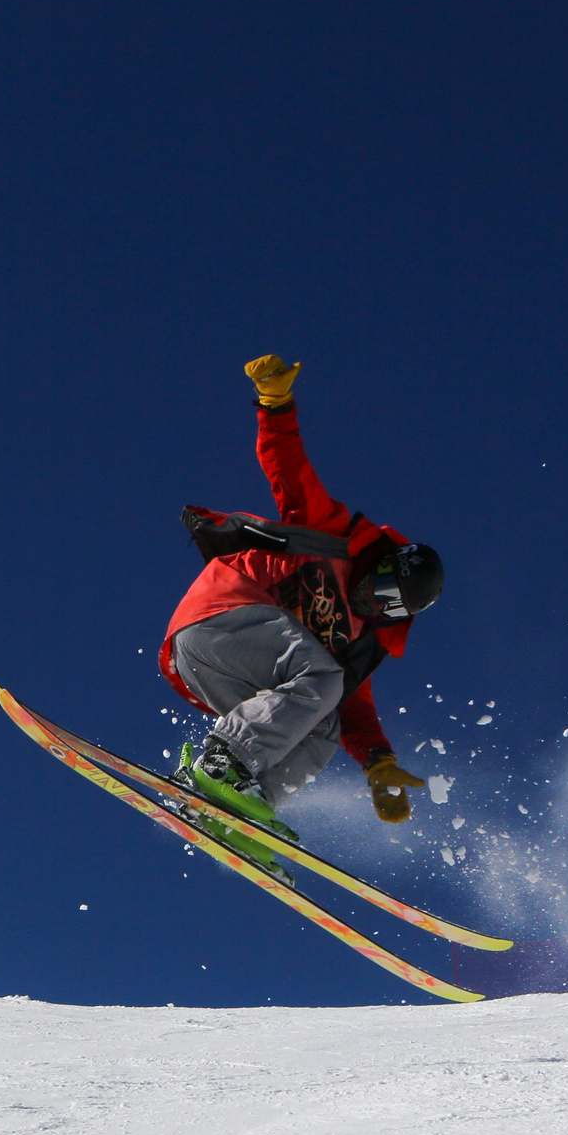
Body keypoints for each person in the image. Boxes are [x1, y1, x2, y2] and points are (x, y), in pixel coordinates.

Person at [162, 354, 444, 827]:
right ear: (380, 564)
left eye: (389, 607)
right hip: (219, 617)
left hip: (229, 672)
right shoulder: (333, 540)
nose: (374, 603)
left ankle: (243, 806)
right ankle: (222, 763)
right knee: (324, 677)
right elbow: (289, 469)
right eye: (382, 587)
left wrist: (379, 761)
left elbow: (354, 706)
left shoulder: (358, 640)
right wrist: (276, 405)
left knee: (324, 723)